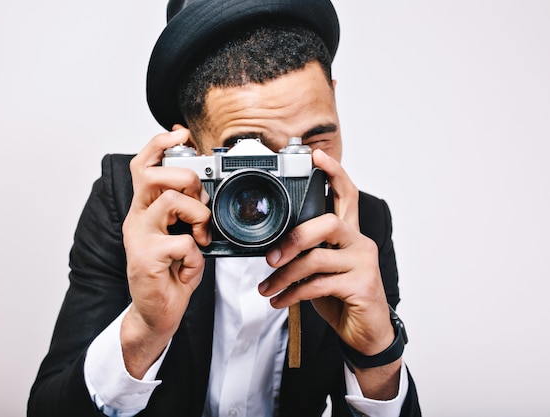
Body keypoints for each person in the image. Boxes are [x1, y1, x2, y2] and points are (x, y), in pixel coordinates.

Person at [28, 0, 421, 416]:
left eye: (314, 144)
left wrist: (377, 353)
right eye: (250, 157)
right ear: (190, 147)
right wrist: (143, 330)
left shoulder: (361, 225)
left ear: (335, 100)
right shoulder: (131, 205)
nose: (286, 181)